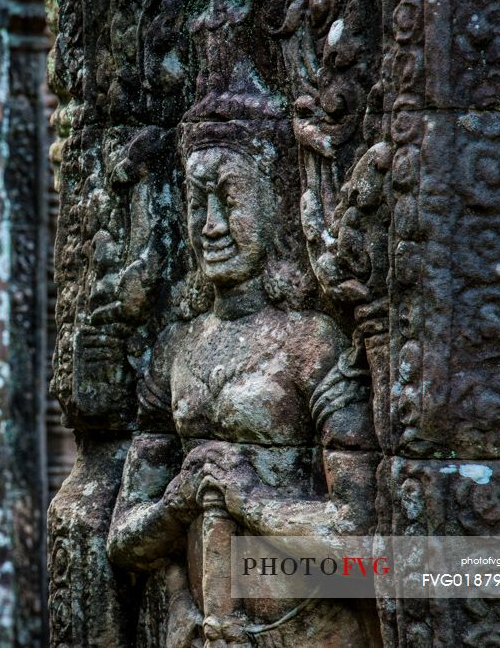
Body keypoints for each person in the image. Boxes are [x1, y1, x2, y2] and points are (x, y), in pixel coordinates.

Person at [106, 109, 379, 646]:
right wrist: (177, 502)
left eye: (229, 200)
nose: (210, 224)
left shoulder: (313, 346)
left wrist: (249, 499)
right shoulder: (177, 349)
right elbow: (122, 539)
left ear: (274, 209)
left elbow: (365, 542)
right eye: (196, 204)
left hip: (305, 631)